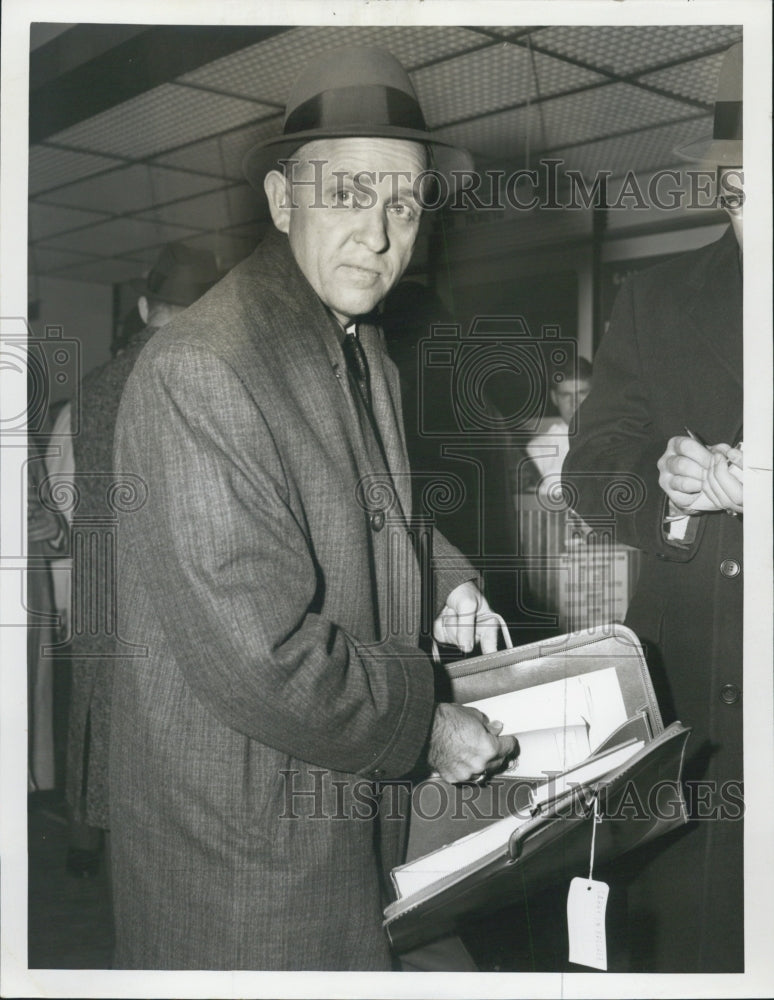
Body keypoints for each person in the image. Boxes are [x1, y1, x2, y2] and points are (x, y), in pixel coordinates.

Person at [109, 46, 516, 971]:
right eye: (349, 194)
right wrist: (431, 725)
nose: (379, 234)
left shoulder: (360, 342)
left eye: (403, 203)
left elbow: (377, 507)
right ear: (282, 200)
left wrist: (443, 581)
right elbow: (264, 653)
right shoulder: (203, 366)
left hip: (339, 817)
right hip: (247, 859)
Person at [562, 41, 743, 972]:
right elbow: (591, 472)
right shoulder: (660, 299)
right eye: (747, 197)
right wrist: (669, 495)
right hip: (701, 730)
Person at [58, 243, 217, 878]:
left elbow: (73, 497)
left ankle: (86, 838)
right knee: (161, 741)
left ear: (146, 305)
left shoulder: (92, 388)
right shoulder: (196, 378)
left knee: (96, 715)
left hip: (97, 581)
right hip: (162, 588)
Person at [526, 355, 592, 483]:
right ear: (554, 398)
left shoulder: (616, 442)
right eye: (566, 395)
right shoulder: (538, 450)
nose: (575, 403)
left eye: (582, 393)